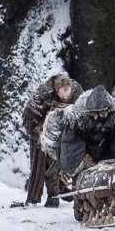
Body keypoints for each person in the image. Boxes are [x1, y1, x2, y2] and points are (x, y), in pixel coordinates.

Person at [21, 72, 78, 207]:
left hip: (65, 133)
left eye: (68, 94)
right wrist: (41, 133)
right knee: (47, 164)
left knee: (67, 161)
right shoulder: (42, 95)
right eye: (63, 95)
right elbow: (29, 117)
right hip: (41, 131)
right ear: (57, 90)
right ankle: (53, 195)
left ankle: (61, 187)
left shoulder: (76, 91)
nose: (66, 98)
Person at [56, 85, 115, 187]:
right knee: (84, 187)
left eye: (104, 112)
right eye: (98, 113)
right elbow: (71, 154)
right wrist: (88, 165)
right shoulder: (76, 123)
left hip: (105, 159)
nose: (101, 116)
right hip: (85, 161)